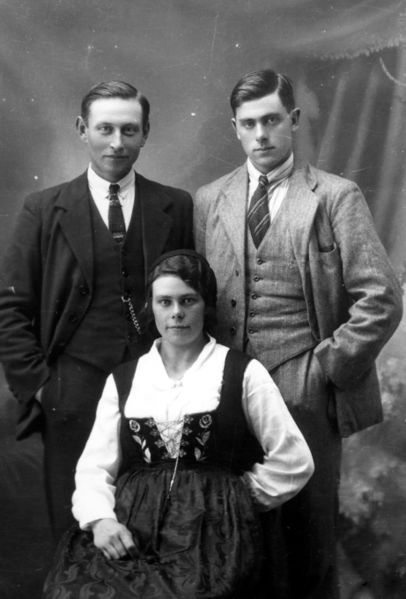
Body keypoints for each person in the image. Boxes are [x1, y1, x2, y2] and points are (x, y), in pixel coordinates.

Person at [194, 69, 403, 599]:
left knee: (308, 545)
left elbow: (381, 297)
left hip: (306, 392)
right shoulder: (209, 200)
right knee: (237, 540)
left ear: (293, 119)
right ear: (235, 128)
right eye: (248, 124)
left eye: (271, 120)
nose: (261, 134)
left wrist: (328, 366)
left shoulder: (335, 196)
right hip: (228, 396)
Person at [42, 249, 314, 599]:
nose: (176, 313)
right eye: (165, 302)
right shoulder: (126, 378)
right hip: (133, 529)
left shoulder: (242, 371)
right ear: (151, 307)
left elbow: (294, 460)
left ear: (206, 305)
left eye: (188, 300)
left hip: (213, 538)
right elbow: (95, 467)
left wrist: (236, 500)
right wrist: (101, 520)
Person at [0, 81, 194, 539]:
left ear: (146, 133)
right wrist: (42, 387)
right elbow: (10, 307)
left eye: (129, 130)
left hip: (157, 393)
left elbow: (191, 300)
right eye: (105, 128)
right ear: (82, 129)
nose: (117, 143)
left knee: (154, 527)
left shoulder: (174, 205)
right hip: (71, 395)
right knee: (75, 531)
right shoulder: (44, 209)